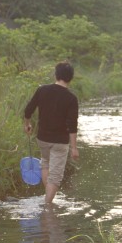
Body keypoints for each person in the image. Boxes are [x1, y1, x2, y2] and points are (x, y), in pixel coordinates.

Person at [23, 61, 80, 204]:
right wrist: (74, 148)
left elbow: (28, 110)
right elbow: (72, 125)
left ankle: (48, 198)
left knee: (45, 164)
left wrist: (27, 124)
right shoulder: (71, 99)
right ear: (71, 78)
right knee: (55, 175)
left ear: (56, 74)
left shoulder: (42, 90)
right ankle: (47, 206)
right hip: (60, 141)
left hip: (42, 138)